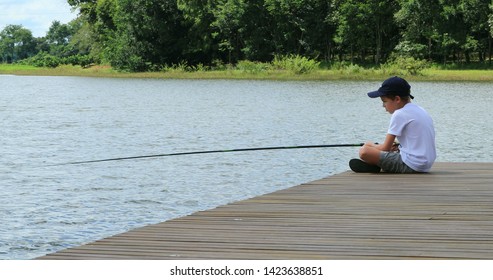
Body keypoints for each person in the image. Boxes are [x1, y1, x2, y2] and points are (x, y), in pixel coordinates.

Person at [349, 76, 436, 173]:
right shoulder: (420, 110)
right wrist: (398, 147)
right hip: (425, 165)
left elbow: (385, 148)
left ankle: (376, 164)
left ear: (397, 99)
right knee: (384, 150)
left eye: (384, 101)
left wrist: (370, 144)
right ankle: (378, 164)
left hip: (412, 165)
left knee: (364, 151)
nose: (383, 105)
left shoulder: (399, 114)